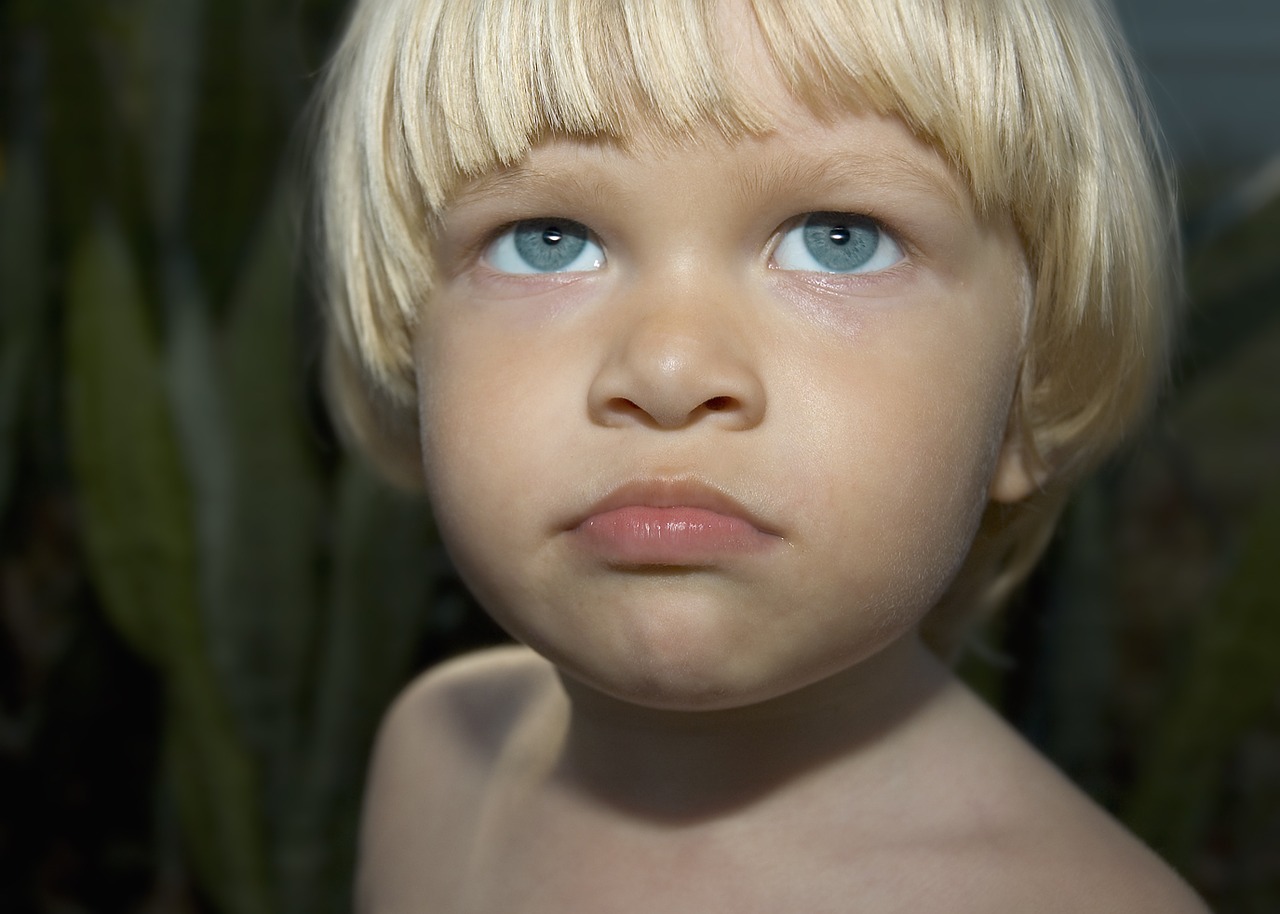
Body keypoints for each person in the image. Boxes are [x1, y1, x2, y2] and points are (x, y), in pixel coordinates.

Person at [313, 0, 1209, 909]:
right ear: (410, 355)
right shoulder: (432, 762)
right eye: (546, 242)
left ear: (1027, 393)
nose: (668, 368)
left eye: (839, 240)